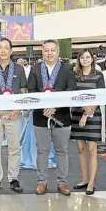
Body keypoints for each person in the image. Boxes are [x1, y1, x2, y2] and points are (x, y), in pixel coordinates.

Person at [27, 40, 76, 195]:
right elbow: (32, 91)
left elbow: (71, 91)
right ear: (43, 52)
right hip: (41, 117)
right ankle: (42, 182)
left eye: (52, 50)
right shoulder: (35, 69)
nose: (49, 53)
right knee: (42, 151)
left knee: (62, 151)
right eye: (46, 50)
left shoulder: (67, 69)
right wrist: (44, 107)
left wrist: (55, 107)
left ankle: (63, 182)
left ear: (58, 51)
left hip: (62, 117)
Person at [0, 38, 27, 193]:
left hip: (13, 114)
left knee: (14, 148)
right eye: (0, 47)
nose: (3, 50)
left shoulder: (19, 70)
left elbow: (23, 92)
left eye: (6, 48)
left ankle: (13, 178)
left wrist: (18, 109)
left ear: (11, 50)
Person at [70, 49, 105, 196]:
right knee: (81, 150)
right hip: (77, 114)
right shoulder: (74, 76)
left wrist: (87, 113)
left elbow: (100, 95)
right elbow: (72, 94)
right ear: (79, 60)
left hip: (93, 115)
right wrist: (82, 110)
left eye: (87, 57)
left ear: (92, 59)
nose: (85, 59)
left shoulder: (98, 75)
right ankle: (84, 179)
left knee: (92, 150)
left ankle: (91, 183)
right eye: (82, 57)